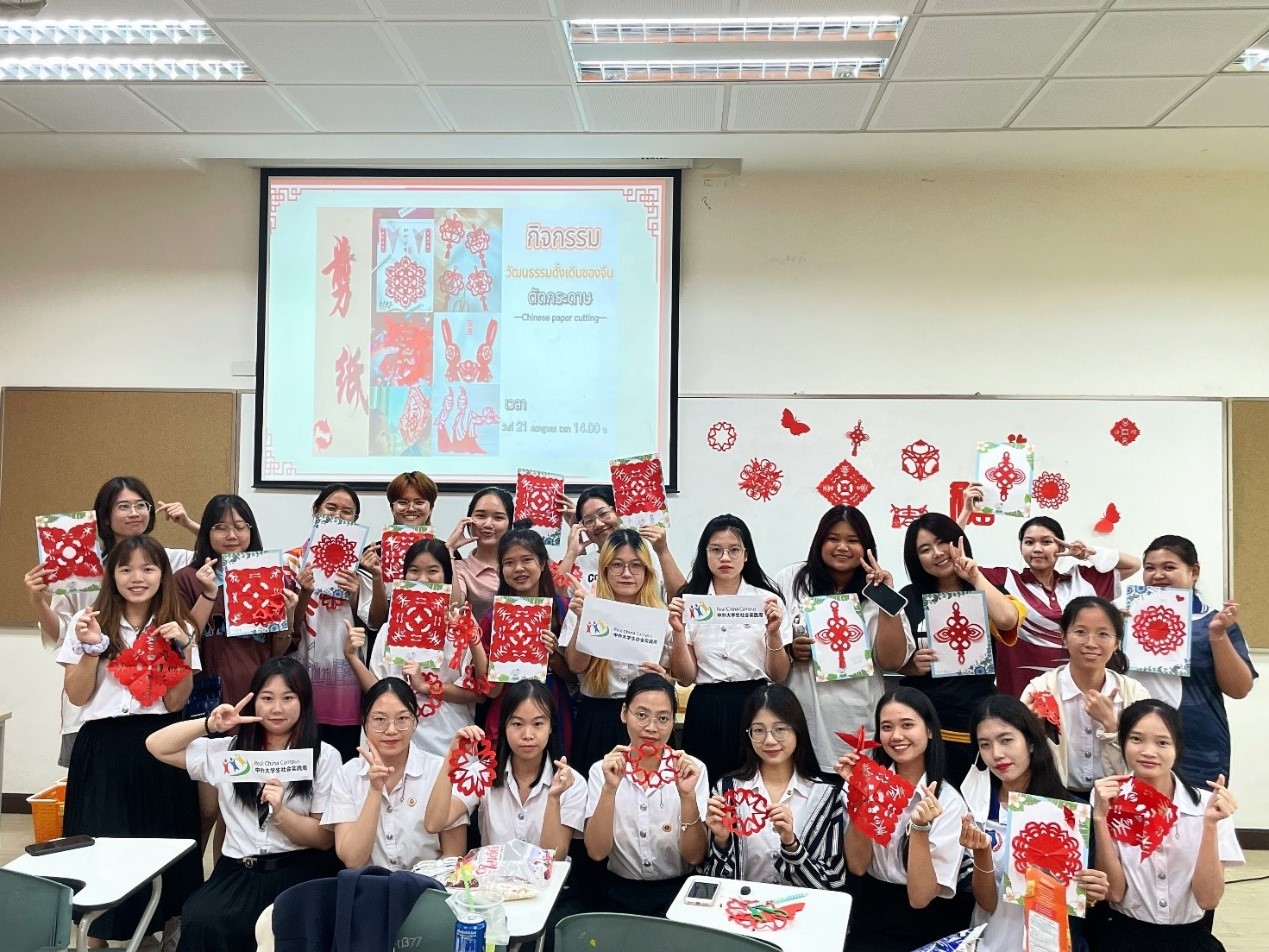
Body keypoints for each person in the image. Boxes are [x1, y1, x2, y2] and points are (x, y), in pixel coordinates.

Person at [57, 536, 203, 947]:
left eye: (148, 569)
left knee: (163, 835)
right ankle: (96, 934)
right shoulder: (88, 620)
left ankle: (162, 925)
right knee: (102, 837)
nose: (137, 578)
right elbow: (77, 695)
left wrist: (182, 649)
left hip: (159, 742)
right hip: (102, 744)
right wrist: (91, 649)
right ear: (112, 575)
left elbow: (176, 702)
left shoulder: (180, 625)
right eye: (126, 569)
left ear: (163, 574)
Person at [145, 657, 341, 952]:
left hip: (298, 868)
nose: (277, 708)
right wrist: (209, 724)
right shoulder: (230, 752)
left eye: (288, 698)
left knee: (291, 929)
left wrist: (282, 814)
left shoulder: (324, 756)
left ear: (304, 702)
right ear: (253, 702)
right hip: (240, 870)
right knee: (201, 918)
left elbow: (323, 839)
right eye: (267, 698)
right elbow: (156, 746)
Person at [26, 474, 200, 769]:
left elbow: (218, 557)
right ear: (105, 517)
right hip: (96, 704)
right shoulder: (78, 568)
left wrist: (188, 523)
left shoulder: (167, 559)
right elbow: (62, 633)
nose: (134, 513)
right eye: (123, 506)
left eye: (141, 505)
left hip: (155, 716)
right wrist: (38, 601)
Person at [915, 695, 1110, 952]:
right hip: (989, 942)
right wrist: (982, 853)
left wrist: (1092, 892)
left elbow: (1083, 897)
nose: (997, 754)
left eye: (1006, 740)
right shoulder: (973, 808)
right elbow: (986, 903)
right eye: (985, 745)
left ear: (1031, 741)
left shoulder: (1071, 813)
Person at [1092, 699, 1244, 951]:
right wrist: (1100, 818)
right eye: (1136, 739)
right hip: (1125, 937)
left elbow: (1208, 899)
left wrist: (1209, 825)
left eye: (1162, 742)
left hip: (1191, 938)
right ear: (1122, 743)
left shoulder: (1208, 806)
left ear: (1177, 747)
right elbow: (1115, 893)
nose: (1148, 751)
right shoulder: (1107, 798)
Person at [776, 505, 914, 771]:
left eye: (853, 540)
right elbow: (770, 641)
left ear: (867, 547)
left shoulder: (877, 590)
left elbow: (892, 661)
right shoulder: (791, 580)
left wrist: (886, 596)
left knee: (855, 785)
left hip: (859, 716)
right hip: (803, 712)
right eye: (833, 539)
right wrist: (791, 650)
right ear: (819, 541)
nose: (842, 547)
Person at [835, 687, 972, 952]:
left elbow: (920, 898)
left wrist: (919, 828)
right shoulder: (864, 784)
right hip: (871, 908)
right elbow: (858, 866)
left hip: (930, 918)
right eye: (886, 727)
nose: (896, 736)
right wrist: (862, 800)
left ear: (929, 730)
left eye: (907, 725)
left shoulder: (949, 801)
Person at [963, 502, 1140, 697]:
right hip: (1020, 693)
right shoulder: (1005, 580)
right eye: (1029, 542)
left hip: (1076, 694)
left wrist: (1088, 554)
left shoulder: (1082, 580)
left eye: (1046, 542)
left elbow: (1133, 565)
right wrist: (965, 513)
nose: (1037, 549)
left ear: (1061, 546)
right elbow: (959, 565)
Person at [898, 514, 1024, 785]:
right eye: (925, 549)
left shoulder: (986, 589)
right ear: (915, 558)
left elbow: (1007, 620)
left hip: (974, 721)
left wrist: (975, 577)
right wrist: (909, 665)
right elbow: (889, 657)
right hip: (925, 724)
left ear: (958, 542)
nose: (937, 553)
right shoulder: (908, 597)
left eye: (942, 542)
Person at [668, 514, 789, 781]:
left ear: (746, 555)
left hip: (755, 704)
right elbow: (685, 678)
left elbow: (779, 675)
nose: (725, 558)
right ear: (705, 554)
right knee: (703, 785)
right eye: (716, 550)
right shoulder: (690, 601)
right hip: (706, 706)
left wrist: (774, 634)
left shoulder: (768, 600)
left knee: (753, 785)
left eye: (734, 550)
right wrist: (677, 632)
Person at [346, 538, 487, 756]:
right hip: (396, 740)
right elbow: (377, 688)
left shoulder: (462, 626)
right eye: (414, 571)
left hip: (448, 741)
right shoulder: (390, 627)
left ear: (447, 575)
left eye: (433, 571)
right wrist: (352, 657)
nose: (422, 579)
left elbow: (478, 694)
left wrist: (426, 687)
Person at [584, 673, 709, 916]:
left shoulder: (692, 770)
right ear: (624, 713)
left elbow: (695, 856)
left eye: (662, 718)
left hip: (678, 891)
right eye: (641, 715)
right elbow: (597, 852)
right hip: (619, 892)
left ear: (673, 721)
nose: (651, 728)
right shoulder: (602, 770)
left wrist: (687, 797)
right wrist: (609, 789)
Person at [1135, 536, 1256, 784]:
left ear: (1194, 572)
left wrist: (1217, 634)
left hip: (1197, 743)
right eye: (1150, 568)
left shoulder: (1215, 622)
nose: (1158, 575)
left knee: (1197, 807)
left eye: (1169, 567)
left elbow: (1240, 689)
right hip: (1137, 741)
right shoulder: (1125, 619)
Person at [701, 684, 846, 889]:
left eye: (780, 729)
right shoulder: (726, 791)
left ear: (797, 730)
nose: (769, 740)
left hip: (802, 908)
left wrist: (791, 845)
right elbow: (711, 881)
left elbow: (833, 881)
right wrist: (721, 841)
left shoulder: (826, 797)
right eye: (759, 730)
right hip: (741, 906)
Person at [425, 679, 586, 858]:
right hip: (491, 875)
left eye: (538, 724)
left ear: (550, 727)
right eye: (517, 724)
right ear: (504, 726)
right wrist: (451, 759)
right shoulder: (484, 772)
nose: (527, 735)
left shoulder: (570, 782)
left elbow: (555, 857)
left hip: (545, 877)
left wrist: (554, 799)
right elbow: (434, 824)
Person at [321, 678, 468, 869]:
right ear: (365, 722)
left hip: (427, 883)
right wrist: (375, 790)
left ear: (415, 721)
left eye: (402, 719)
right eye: (380, 720)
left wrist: (417, 883)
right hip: (369, 884)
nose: (391, 730)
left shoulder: (439, 769)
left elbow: (453, 855)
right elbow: (353, 860)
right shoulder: (347, 775)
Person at [560, 529, 673, 774]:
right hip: (598, 717)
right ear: (604, 569)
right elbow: (576, 666)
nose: (626, 573)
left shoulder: (659, 615)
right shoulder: (586, 604)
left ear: (647, 571)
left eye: (636, 565)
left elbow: (674, 674)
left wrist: (662, 678)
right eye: (617, 565)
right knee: (597, 792)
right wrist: (585, 618)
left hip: (647, 719)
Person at [175, 494, 297, 715]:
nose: (232, 535)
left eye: (240, 527)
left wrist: (288, 616)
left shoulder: (268, 576)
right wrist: (208, 594)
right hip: (206, 695)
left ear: (251, 531)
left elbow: (275, 651)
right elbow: (183, 642)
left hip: (258, 692)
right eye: (221, 527)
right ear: (207, 532)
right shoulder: (187, 579)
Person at [1019, 597, 1150, 798]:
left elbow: (1145, 761)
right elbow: (1019, 755)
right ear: (1063, 636)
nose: (1091, 643)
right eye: (1080, 632)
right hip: (1056, 797)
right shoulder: (1040, 689)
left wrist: (1111, 724)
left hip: (1119, 798)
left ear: (1117, 642)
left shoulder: (1135, 693)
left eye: (1103, 634)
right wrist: (1033, 729)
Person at [288, 483, 372, 762]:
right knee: (302, 760)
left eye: (347, 512)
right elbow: (285, 630)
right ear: (315, 511)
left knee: (343, 761)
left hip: (346, 680)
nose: (338, 516)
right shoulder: (290, 562)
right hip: (302, 672)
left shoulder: (362, 565)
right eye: (331, 508)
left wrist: (356, 596)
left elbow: (374, 623)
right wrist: (304, 592)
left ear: (355, 520)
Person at [481, 528, 574, 754]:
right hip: (506, 707)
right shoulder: (492, 617)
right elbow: (485, 688)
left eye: (526, 560)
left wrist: (553, 656)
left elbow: (575, 677)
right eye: (509, 562)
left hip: (554, 705)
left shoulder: (565, 609)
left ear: (542, 564)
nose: (518, 569)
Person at [557, 486, 686, 597]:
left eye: (603, 513)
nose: (598, 524)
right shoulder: (581, 563)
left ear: (619, 511)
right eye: (589, 521)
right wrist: (571, 553)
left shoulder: (646, 554)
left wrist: (663, 551)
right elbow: (555, 600)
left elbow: (682, 599)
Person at [363, 470, 439, 642]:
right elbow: (375, 622)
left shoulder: (445, 552)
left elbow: (453, 608)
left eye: (419, 502)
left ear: (430, 508)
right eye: (402, 502)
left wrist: (450, 552)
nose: (411, 508)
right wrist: (377, 577)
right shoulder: (373, 555)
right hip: (383, 646)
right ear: (392, 508)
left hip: (431, 643)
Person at [446, 486, 514, 622]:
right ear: (468, 521)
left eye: (498, 518)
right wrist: (449, 549)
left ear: (509, 524)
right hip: (475, 636)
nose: (488, 524)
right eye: (481, 516)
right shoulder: (460, 567)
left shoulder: (521, 564)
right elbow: (455, 606)